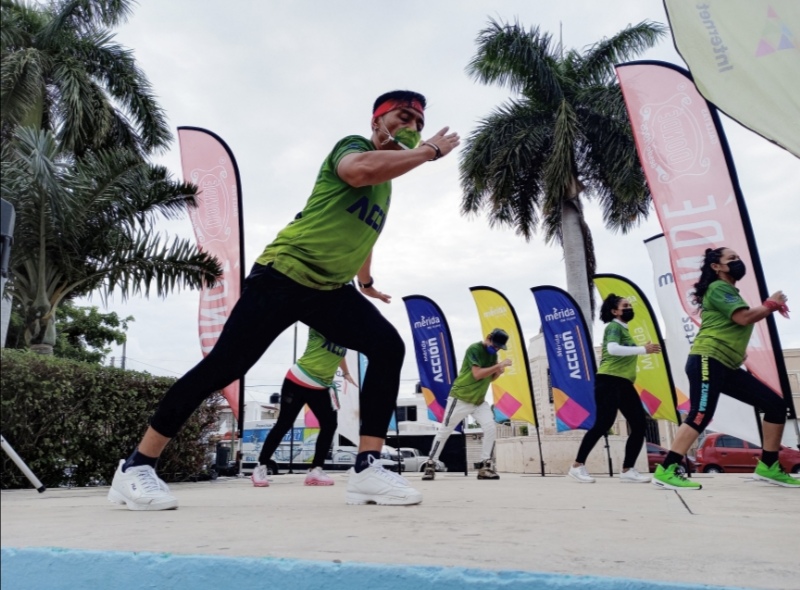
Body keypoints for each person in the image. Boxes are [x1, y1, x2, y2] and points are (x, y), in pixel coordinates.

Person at [108, 90, 460, 510]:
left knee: (387, 346)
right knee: (225, 367)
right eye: (404, 118)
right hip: (283, 275)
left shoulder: (386, 186)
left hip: (328, 289)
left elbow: (363, 234)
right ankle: (136, 466)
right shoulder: (353, 147)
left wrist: (366, 281)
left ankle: (367, 468)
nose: (412, 128)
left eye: (419, 124)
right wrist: (427, 152)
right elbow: (357, 171)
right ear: (377, 121)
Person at [652, 247, 797, 490]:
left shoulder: (728, 290)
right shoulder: (718, 288)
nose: (738, 262)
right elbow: (743, 318)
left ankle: (769, 466)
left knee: (775, 405)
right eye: (732, 259)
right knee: (700, 414)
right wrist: (771, 304)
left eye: (738, 258)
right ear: (716, 267)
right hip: (707, 359)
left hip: (723, 364)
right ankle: (666, 469)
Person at [568, 294, 661, 484]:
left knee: (639, 425)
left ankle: (628, 470)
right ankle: (577, 466)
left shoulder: (624, 329)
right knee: (603, 424)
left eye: (629, 305)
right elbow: (612, 349)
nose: (629, 308)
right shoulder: (613, 326)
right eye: (625, 305)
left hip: (624, 382)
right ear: (614, 311)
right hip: (609, 380)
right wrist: (643, 349)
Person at [251, 327, 356, 488]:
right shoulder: (319, 323)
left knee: (329, 424)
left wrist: (346, 373)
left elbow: (339, 352)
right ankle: (261, 466)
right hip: (297, 381)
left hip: (321, 387)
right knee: (284, 423)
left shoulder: (345, 333)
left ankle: (316, 470)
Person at [422, 329, 512, 481]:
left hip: (478, 401)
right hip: (460, 398)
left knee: (490, 427)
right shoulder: (474, 349)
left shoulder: (493, 355)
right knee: (445, 430)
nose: (496, 349)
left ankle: (485, 466)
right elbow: (477, 374)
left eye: (499, 347)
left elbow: (488, 379)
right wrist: (498, 366)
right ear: (488, 338)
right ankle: (430, 463)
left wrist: (498, 372)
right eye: (495, 345)